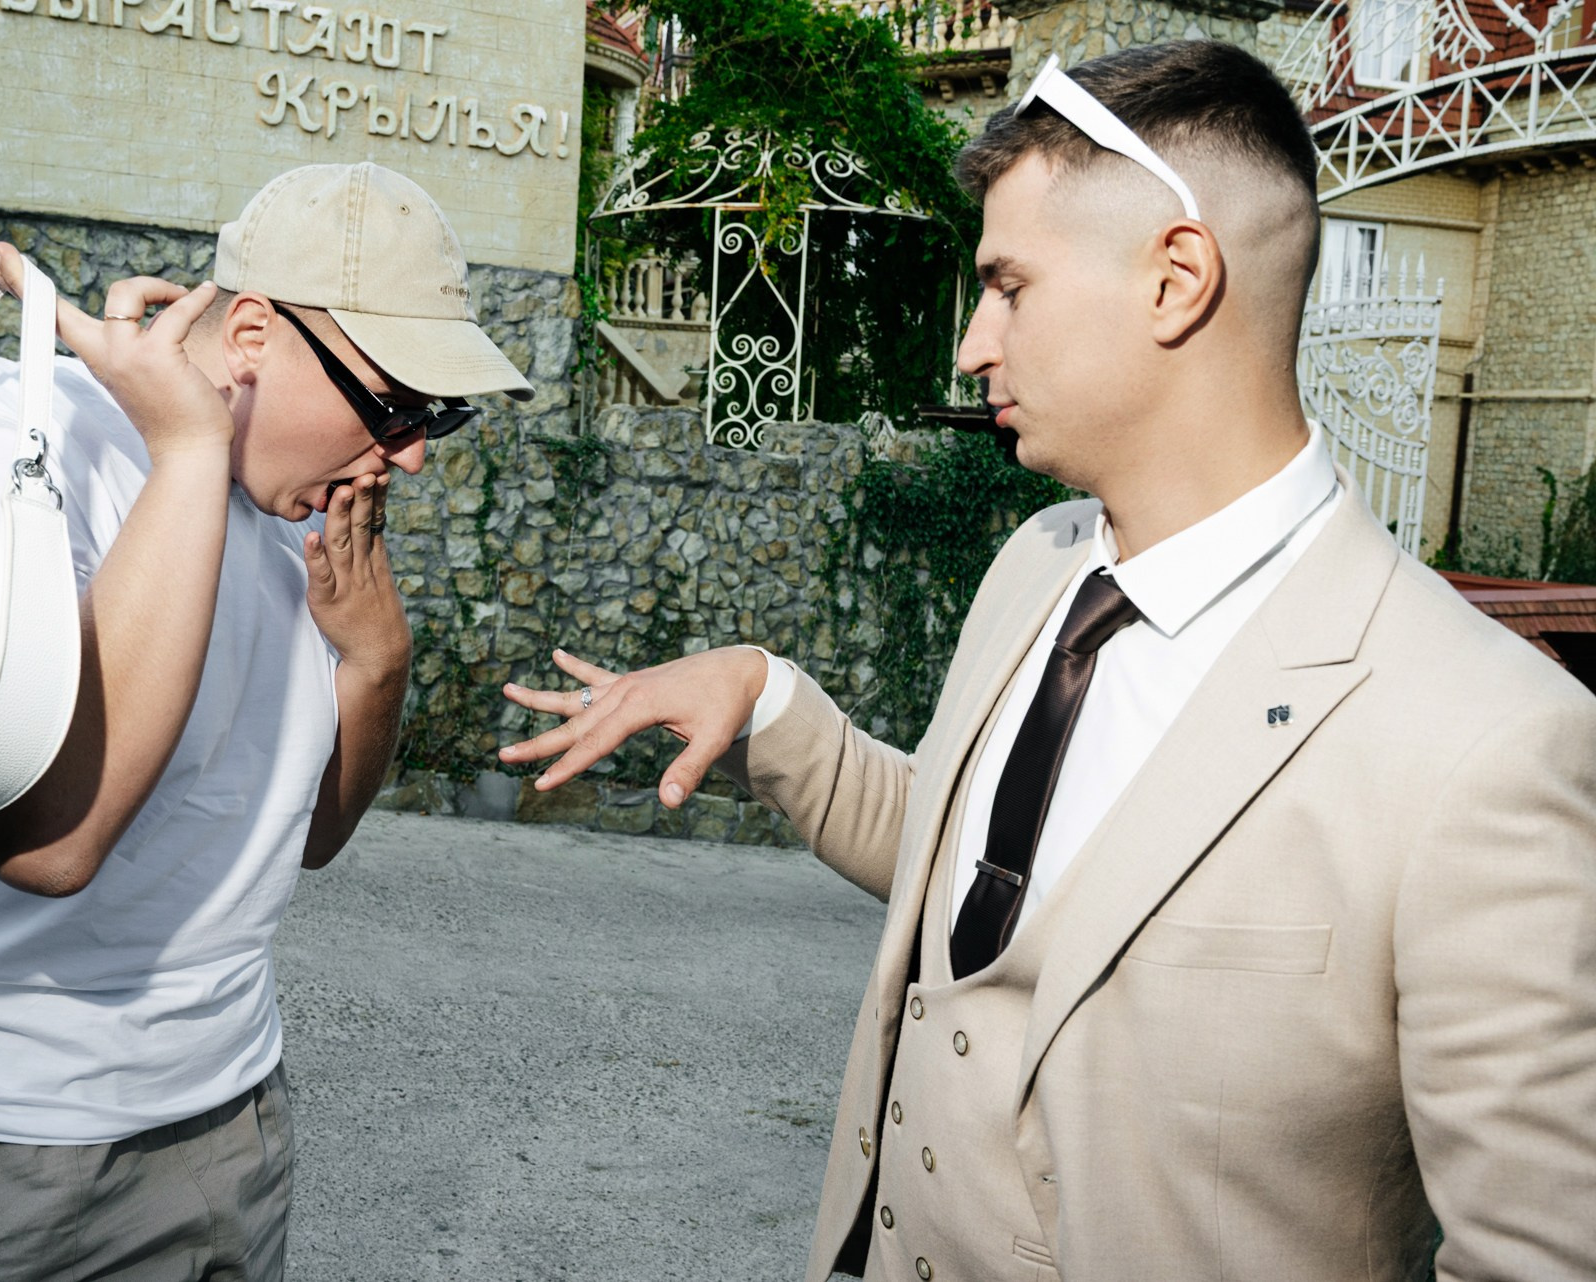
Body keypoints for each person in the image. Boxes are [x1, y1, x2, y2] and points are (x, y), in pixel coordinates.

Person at [501, 42, 1596, 1282]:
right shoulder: (1038, 563)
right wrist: (766, 697)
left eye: (1009, 287)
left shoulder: (1488, 741)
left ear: (1176, 280)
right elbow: (970, 870)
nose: (973, 345)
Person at [0, 161, 532, 1280]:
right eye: (394, 404)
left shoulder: (292, 512)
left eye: (439, 416)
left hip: (226, 1114)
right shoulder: (10, 439)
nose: (412, 451)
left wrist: (377, 659)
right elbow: (48, 841)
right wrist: (186, 453)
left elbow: (307, 835)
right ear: (254, 335)